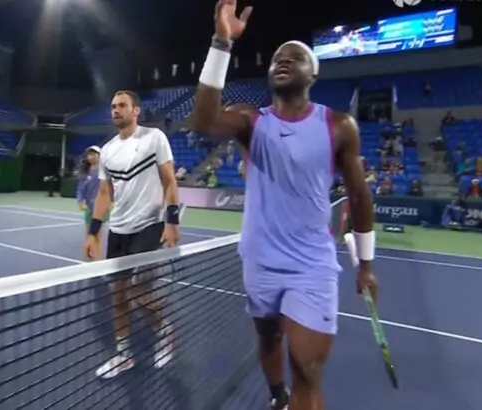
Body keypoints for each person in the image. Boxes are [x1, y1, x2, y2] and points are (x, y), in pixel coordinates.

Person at [190, 1, 378, 409]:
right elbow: (203, 123)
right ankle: (278, 396)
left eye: (295, 57)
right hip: (259, 260)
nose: (284, 60)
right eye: (278, 57)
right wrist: (221, 42)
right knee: (269, 337)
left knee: (307, 369)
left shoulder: (338, 126)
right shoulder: (250, 120)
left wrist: (365, 264)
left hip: (311, 265)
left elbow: (359, 196)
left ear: (314, 74)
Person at [82, 90, 180, 379]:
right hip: (119, 229)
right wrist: (93, 233)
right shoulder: (108, 150)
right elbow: (104, 193)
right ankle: (124, 354)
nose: (116, 110)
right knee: (118, 295)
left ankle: (164, 331)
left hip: (149, 224)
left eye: (122, 105)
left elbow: (170, 181)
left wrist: (172, 221)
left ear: (136, 111)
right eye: (113, 106)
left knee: (140, 291)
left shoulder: (154, 138)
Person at [76, 146, 110, 234]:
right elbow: (80, 189)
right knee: (89, 233)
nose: (91, 156)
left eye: (94, 154)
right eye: (89, 154)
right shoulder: (85, 172)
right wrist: (80, 201)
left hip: (101, 207)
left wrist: (111, 202)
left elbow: (110, 188)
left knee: (96, 233)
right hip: (88, 207)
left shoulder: (105, 172)